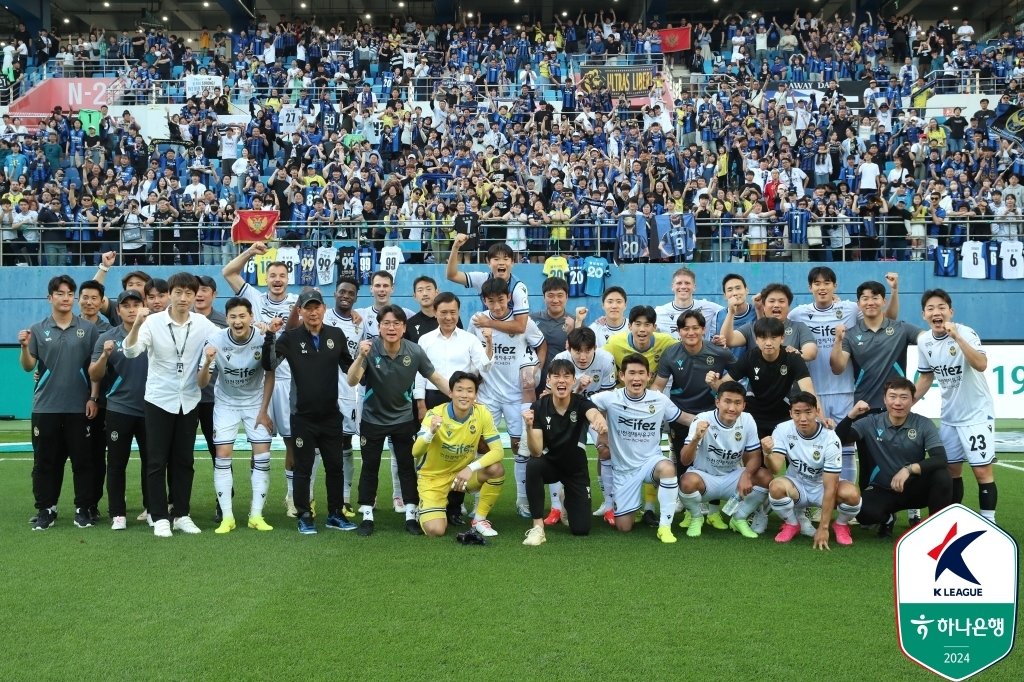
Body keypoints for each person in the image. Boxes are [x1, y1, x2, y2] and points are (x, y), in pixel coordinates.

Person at [123, 272, 219, 537]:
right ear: (170, 294)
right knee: (156, 461)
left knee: (184, 461)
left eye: (189, 293)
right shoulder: (152, 322)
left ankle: (182, 514)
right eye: (178, 292)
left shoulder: (202, 323)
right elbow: (131, 351)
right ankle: (159, 516)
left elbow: (227, 337)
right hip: (158, 400)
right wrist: (136, 324)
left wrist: (259, 329)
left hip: (188, 401)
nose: (184, 298)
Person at [346, 305, 451, 537]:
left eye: (396, 323)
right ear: (379, 327)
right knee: (370, 466)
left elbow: (435, 377)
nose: (391, 328)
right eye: (386, 323)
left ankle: (411, 514)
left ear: (404, 328)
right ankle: (367, 515)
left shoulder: (414, 351)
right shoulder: (369, 349)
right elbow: (352, 380)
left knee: (406, 466)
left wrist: (458, 396)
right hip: (372, 419)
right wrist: (361, 356)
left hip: (403, 418)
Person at [789, 268, 900, 483]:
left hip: (845, 391)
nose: (822, 287)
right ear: (810, 287)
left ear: (835, 286)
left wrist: (894, 291)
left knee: (847, 447)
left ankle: (846, 505)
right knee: (815, 448)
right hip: (813, 392)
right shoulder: (798, 314)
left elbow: (889, 317)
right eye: (817, 283)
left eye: (827, 283)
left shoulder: (849, 309)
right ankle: (817, 500)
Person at [261, 289, 356, 534]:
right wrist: (270, 336)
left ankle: (335, 513)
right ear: (300, 311)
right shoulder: (290, 338)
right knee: (303, 467)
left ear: (324, 308)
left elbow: (350, 368)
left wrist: (365, 357)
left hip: (331, 415)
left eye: (317, 307)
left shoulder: (336, 334)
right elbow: (268, 364)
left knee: (335, 466)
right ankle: (304, 514)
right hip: (302, 416)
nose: (313, 312)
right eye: (308, 308)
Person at [223, 242, 301, 516]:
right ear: (265, 278)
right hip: (258, 382)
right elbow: (229, 272)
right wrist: (250, 252)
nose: (277, 280)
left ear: (288, 279)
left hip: (289, 380)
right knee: (259, 443)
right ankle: (259, 500)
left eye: (282, 276)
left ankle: (292, 498)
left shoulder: (297, 303)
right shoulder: (254, 298)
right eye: (272, 275)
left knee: (292, 441)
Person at [19, 274, 101, 530]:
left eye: (69, 294)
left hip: (79, 407)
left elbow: (94, 369)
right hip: (46, 408)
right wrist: (24, 346)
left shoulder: (88, 330)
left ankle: (82, 508)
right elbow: (28, 366)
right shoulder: (37, 329)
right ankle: (47, 509)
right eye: (60, 294)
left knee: (83, 461)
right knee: (45, 462)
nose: (65, 298)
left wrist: (93, 397)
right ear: (50, 298)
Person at [913, 289, 998, 523]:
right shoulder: (924, 340)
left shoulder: (966, 333)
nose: (936, 312)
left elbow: (981, 364)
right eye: (930, 308)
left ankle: (989, 522)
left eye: (941, 307)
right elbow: (926, 378)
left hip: (977, 414)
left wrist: (957, 338)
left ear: (951, 311)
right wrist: (905, 403)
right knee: (951, 471)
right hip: (949, 417)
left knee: (981, 471)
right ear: (924, 315)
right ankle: (954, 520)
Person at [830, 280, 923, 491]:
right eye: (865, 298)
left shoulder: (901, 328)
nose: (870, 302)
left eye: (874, 297)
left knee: (906, 454)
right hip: (865, 408)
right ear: (858, 303)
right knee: (868, 460)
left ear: (883, 301)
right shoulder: (851, 335)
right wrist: (837, 341)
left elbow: (926, 339)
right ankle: (867, 504)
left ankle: (912, 507)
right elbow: (837, 367)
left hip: (895, 405)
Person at [198, 297, 277, 534]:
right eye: (233, 316)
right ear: (227, 319)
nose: (237, 321)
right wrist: (207, 362)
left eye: (242, 316)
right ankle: (228, 518)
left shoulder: (263, 337)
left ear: (251, 317)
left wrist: (263, 411)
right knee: (222, 455)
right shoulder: (215, 341)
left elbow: (270, 374)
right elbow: (201, 383)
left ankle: (256, 515)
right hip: (226, 403)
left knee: (262, 455)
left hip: (255, 403)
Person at [413, 291, 492, 526]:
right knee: (432, 451)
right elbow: (419, 373)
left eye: (453, 312)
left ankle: (455, 507)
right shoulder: (425, 340)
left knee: (462, 452)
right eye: (443, 312)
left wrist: (490, 343)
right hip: (432, 396)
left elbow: (484, 368)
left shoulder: (469, 339)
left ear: (459, 313)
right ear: (435, 313)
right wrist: (420, 403)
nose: (448, 317)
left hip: (463, 400)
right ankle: (428, 500)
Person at [590, 353, 688, 544]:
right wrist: (598, 418)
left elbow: (683, 418)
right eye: (632, 373)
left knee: (668, 468)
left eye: (641, 373)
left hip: (650, 462)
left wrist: (711, 420)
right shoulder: (610, 398)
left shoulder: (659, 399)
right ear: (621, 376)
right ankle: (632, 505)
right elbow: (583, 404)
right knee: (624, 528)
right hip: (624, 470)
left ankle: (664, 528)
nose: (637, 378)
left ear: (649, 376)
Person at [835, 379, 952, 537]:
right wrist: (851, 415)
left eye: (904, 397)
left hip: (913, 488)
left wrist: (909, 469)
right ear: (885, 399)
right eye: (893, 396)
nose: (898, 402)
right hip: (882, 489)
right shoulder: (870, 422)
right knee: (862, 514)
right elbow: (839, 439)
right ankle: (888, 518)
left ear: (913, 400)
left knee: (942, 476)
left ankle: (936, 528)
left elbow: (940, 459)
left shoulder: (924, 424)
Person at [651, 309, 735, 528]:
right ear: (679, 331)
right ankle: (692, 511)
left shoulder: (719, 352)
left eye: (695, 328)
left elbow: (735, 379)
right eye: (686, 328)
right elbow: (658, 387)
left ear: (703, 330)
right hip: (681, 415)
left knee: (714, 461)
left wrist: (718, 385)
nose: (691, 332)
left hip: (712, 415)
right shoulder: (671, 353)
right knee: (683, 460)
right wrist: (649, 407)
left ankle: (714, 512)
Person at [473, 278, 547, 520]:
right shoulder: (477, 321)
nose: (496, 305)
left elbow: (541, 344)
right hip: (489, 393)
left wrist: (537, 370)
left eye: (501, 299)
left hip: (517, 395)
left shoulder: (523, 323)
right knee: (482, 446)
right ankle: (478, 503)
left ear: (508, 299)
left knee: (520, 448)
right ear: (484, 300)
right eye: (491, 300)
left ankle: (522, 500)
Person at [522, 359, 609, 546]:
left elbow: (593, 413)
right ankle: (538, 527)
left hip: (575, 468)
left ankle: (565, 498)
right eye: (556, 376)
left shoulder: (581, 403)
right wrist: (529, 428)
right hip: (550, 464)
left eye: (566, 376)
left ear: (573, 380)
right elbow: (536, 451)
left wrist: (599, 420)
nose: (561, 381)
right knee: (533, 465)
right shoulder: (538, 407)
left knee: (581, 529)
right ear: (549, 380)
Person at [413, 372, 505, 538]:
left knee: (496, 469)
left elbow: (498, 451)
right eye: (459, 390)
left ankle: (479, 519)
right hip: (433, 478)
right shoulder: (434, 415)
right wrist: (431, 432)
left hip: (461, 477)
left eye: (470, 391)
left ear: (475, 395)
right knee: (436, 530)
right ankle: (425, 509)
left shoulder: (482, 413)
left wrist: (471, 468)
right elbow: (415, 452)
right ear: (450, 393)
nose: (464, 395)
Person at [88, 289, 150, 529]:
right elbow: (94, 373)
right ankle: (118, 514)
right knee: (116, 463)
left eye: (136, 304)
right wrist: (104, 355)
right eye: (126, 305)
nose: (132, 309)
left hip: (150, 408)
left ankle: (152, 509)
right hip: (119, 408)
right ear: (118, 310)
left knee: (151, 462)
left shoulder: (152, 332)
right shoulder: (108, 337)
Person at [768, 392, 863, 548]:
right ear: (790, 413)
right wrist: (767, 453)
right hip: (797, 486)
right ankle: (792, 524)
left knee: (852, 494)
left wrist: (823, 528)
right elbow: (775, 467)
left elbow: (830, 486)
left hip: (821, 487)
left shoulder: (830, 438)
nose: (803, 418)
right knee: (776, 486)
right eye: (797, 413)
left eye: (808, 412)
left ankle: (840, 524)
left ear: (817, 411)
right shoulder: (782, 429)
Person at [677, 380, 768, 539]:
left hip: (732, 478)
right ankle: (697, 516)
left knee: (765, 477)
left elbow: (754, 456)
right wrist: (696, 439)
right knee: (686, 481)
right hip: (705, 478)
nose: (732, 408)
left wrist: (746, 475)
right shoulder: (702, 419)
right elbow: (685, 460)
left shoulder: (747, 420)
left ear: (744, 405)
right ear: (717, 402)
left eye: (737, 403)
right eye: (727, 401)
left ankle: (739, 518)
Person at [552, 326, 617, 522]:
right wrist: (577, 387)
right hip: (568, 412)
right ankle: (555, 507)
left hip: (596, 412)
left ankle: (609, 505)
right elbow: (553, 398)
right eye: (577, 351)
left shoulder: (606, 359)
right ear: (568, 348)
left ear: (595, 348)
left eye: (587, 350)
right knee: (555, 451)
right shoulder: (560, 361)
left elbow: (608, 399)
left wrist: (603, 431)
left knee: (606, 451)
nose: (582, 356)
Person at [322, 277, 365, 517]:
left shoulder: (361, 323)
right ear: (335, 294)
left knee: (346, 444)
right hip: (322, 390)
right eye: (341, 291)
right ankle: (308, 499)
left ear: (356, 297)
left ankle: (346, 499)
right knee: (317, 445)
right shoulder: (324, 316)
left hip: (348, 392)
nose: (345, 295)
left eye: (350, 292)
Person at [193, 274, 229, 522]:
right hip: (184, 397)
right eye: (195, 289)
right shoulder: (182, 320)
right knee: (181, 453)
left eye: (205, 289)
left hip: (213, 398)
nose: (199, 293)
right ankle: (178, 504)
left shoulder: (224, 323)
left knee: (219, 452)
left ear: (214, 295)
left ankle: (223, 501)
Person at [446, 236, 530, 335]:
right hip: (488, 334)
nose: (501, 263)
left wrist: (489, 323)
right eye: (496, 259)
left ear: (512, 263)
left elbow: (520, 327)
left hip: (511, 336)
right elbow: (452, 275)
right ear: (488, 262)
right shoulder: (482, 279)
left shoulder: (518, 288)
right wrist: (455, 247)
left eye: (506, 259)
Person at [718, 282, 817, 362]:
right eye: (772, 301)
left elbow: (811, 352)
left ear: (789, 306)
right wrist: (731, 312)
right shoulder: (751, 328)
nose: (776, 305)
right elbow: (727, 340)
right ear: (764, 306)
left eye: (781, 301)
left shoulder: (799, 327)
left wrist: (796, 353)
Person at [654, 267, 723, 338]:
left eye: (687, 283)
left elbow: (731, 314)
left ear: (694, 287)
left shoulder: (710, 308)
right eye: (679, 283)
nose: (683, 286)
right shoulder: (659, 312)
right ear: (672, 286)